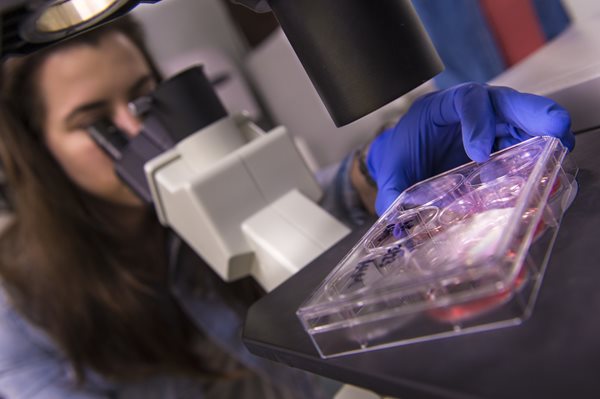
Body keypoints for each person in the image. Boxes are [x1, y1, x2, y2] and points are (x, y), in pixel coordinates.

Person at [0, 14, 573, 399]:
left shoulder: (205, 202)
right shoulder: (19, 315)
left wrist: (376, 167)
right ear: (38, 153)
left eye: (146, 99)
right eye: (96, 124)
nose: (135, 129)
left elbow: (320, 200)